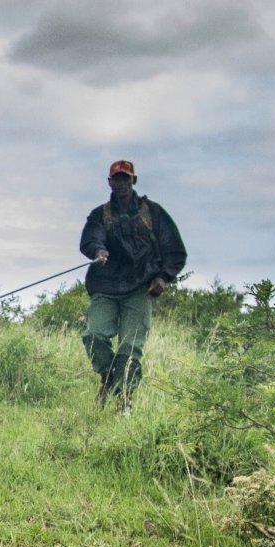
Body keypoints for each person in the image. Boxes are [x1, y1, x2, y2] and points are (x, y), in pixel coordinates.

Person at [79, 160, 187, 412]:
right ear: (109, 183)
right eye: (116, 179)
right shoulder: (100, 214)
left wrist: (163, 278)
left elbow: (175, 251)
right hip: (105, 286)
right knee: (93, 335)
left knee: (129, 347)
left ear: (133, 181)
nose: (121, 184)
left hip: (140, 289)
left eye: (125, 179)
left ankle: (125, 399)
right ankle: (108, 377)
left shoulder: (154, 213)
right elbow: (90, 239)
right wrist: (99, 250)